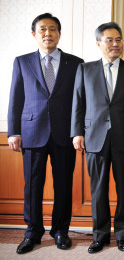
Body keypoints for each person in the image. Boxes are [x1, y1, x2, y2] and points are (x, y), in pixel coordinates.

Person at [7, 13, 84, 254]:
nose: (47, 33)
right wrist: (13, 132)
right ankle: (32, 232)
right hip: (31, 132)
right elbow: (15, 99)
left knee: (63, 184)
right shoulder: (22, 62)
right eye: (42, 29)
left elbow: (79, 101)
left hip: (65, 133)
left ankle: (61, 230)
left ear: (59, 34)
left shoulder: (76, 63)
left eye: (52, 29)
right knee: (32, 186)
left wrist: (78, 131)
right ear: (34, 34)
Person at [70, 22, 124, 253]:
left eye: (118, 39)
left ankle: (122, 234)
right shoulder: (85, 69)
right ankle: (99, 236)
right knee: (98, 189)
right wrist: (77, 132)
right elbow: (77, 103)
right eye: (109, 40)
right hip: (94, 136)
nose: (115, 44)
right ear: (99, 43)